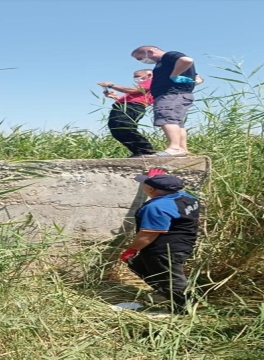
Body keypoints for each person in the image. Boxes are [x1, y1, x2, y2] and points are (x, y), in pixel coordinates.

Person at [120, 168, 200, 314]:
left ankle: (185, 309)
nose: (142, 185)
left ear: (150, 189)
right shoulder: (187, 197)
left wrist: (130, 250)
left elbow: (148, 235)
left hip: (164, 250)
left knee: (171, 280)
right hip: (183, 243)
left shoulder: (156, 207)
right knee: (139, 265)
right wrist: (159, 178)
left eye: (144, 183)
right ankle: (170, 295)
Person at [130, 46, 204, 157]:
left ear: (149, 52)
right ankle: (182, 149)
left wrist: (174, 75)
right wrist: (191, 81)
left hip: (171, 94)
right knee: (176, 122)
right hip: (175, 94)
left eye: (139, 58)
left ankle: (174, 148)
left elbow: (187, 60)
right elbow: (198, 78)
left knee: (167, 117)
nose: (142, 61)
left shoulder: (168, 56)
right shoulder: (164, 63)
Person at [97, 69, 156, 158]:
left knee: (124, 126)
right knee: (116, 128)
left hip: (132, 106)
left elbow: (131, 90)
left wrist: (111, 85)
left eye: (137, 76)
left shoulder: (151, 82)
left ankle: (146, 150)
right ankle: (139, 151)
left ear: (149, 75)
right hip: (125, 106)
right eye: (134, 77)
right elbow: (131, 97)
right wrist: (115, 97)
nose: (136, 78)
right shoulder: (142, 87)